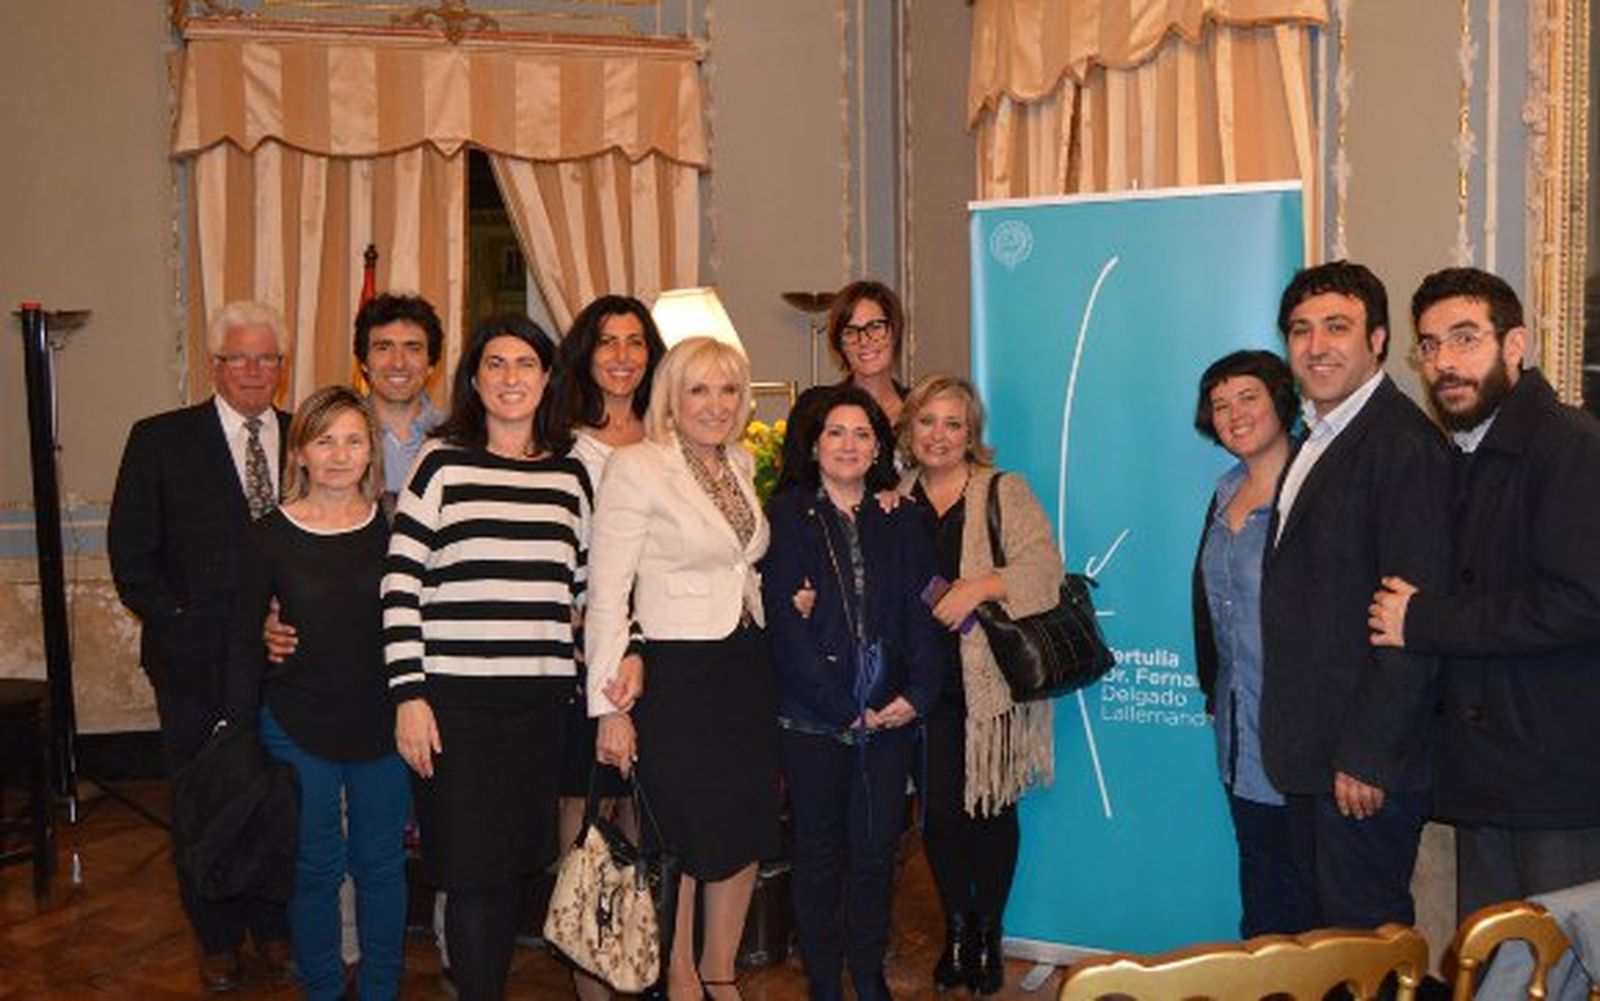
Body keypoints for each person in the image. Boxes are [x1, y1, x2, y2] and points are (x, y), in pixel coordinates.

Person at [1368, 267, 1600, 919]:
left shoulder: (1570, 446)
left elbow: (1584, 602)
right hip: (1486, 781)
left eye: (1465, 339)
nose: (1444, 362)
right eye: (1431, 344)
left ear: (1515, 344)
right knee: (1495, 968)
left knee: (1556, 970)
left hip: (1558, 786)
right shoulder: (1463, 451)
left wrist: (1426, 620)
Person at [382, 314, 588, 1001]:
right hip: (455, 706)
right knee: (470, 870)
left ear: (548, 377)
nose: (510, 378)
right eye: (495, 364)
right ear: (473, 379)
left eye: (525, 363)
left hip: (538, 705)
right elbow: (400, 582)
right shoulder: (441, 462)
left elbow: (584, 591)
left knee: (509, 869)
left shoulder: (570, 472)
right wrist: (410, 694)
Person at [108, 300, 295, 993]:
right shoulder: (160, 439)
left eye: (267, 357)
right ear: (214, 365)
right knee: (204, 798)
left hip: (287, 660)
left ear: (283, 366)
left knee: (278, 796)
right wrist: (184, 621)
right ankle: (215, 935)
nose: (254, 370)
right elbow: (131, 554)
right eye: (239, 357)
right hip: (194, 663)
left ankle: (274, 927)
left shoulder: (309, 434)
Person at [586, 336, 781, 1001]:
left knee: (745, 818)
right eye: (699, 389)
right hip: (677, 672)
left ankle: (721, 970)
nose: (716, 404)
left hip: (745, 664)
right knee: (684, 829)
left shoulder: (740, 458)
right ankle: (679, 975)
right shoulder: (637, 465)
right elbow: (607, 588)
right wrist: (610, 706)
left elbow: (739, 560)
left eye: (729, 390)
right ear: (673, 395)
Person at [1259, 260, 1450, 930]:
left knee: (1366, 943)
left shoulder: (1403, 445)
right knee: (1330, 942)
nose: (1316, 345)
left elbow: (1412, 622)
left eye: (1337, 327)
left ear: (1377, 340)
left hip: (1362, 767)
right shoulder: (1320, 435)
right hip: (1316, 753)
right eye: (1301, 330)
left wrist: (1368, 753)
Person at [223, 386, 409, 1001]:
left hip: (384, 724)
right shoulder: (267, 536)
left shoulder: (398, 526)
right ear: (299, 451)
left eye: (354, 439)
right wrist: (241, 730)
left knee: (381, 868)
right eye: (323, 440)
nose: (338, 454)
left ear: (371, 451)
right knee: (315, 869)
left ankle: (381, 989)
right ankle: (324, 990)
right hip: (296, 724)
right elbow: (245, 640)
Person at [762, 385, 944, 1001]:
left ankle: (867, 975)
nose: (848, 444)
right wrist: (844, 708)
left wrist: (919, 694)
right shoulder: (786, 517)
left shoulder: (902, 518)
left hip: (891, 718)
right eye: (835, 433)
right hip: (815, 720)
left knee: (874, 854)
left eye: (862, 434)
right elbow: (785, 628)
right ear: (814, 446)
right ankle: (822, 981)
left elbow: (924, 611)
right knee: (817, 855)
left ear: (877, 449)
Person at [897, 375, 1061, 995]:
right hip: (926, 685)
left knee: (989, 810)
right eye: (927, 422)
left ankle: (987, 935)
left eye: (953, 424)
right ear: (910, 429)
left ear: (972, 435)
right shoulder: (896, 497)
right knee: (939, 819)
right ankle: (957, 929)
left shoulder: (1001, 490)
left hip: (987, 683)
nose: (939, 435)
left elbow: (1044, 570)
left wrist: (981, 586)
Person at [547, 294, 666, 1001]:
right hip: (581, 646)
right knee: (587, 806)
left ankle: (641, 955)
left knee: (644, 804)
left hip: (662, 646)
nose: (621, 355)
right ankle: (592, 972)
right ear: (585, 353)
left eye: (635, 342)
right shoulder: (558, 437)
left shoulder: (670, 431)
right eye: (607, 342)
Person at [1189, 350, 1316, 937]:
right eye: (1220, 404)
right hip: (1239, 730)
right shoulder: (1223, 493)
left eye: (1248, 398)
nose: (1233, 414)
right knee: (1260, 877)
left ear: (1280, 402)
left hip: (1306, 736)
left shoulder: (1314, 487)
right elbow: (1208, 602)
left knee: (1312, 890)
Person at [779, 281, 909, 491]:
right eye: (850, 332)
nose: (864, 341)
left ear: (894, 331)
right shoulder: (813, 407)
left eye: (875, 328)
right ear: (839, 345)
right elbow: (790, 491)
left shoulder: (922, 410)